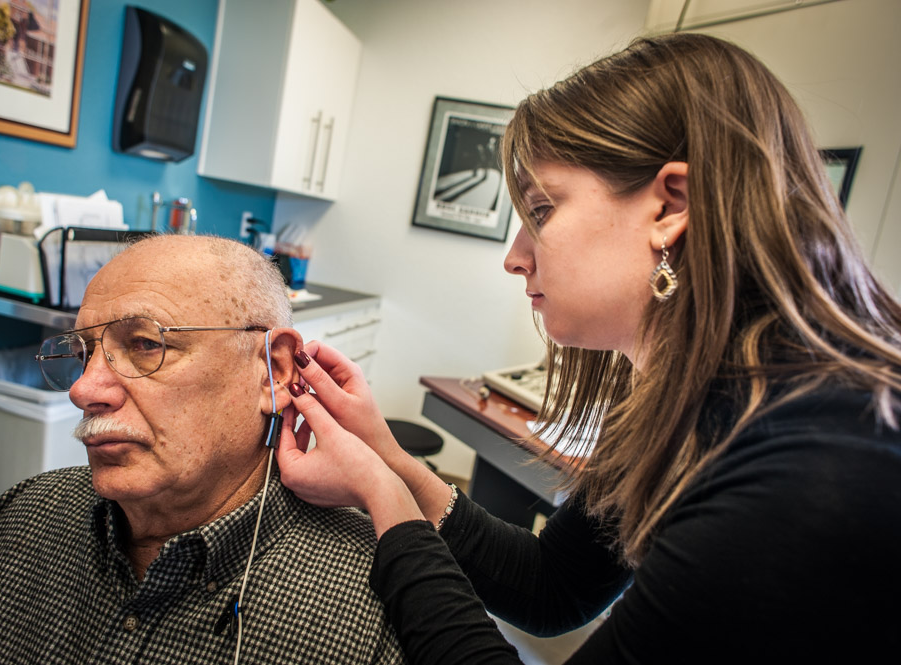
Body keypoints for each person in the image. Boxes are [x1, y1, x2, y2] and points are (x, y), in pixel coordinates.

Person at [274, 32, 901, 663]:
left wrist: (384, 500)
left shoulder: (809, 467)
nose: (515, 259)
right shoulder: (692, 400)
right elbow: (553, 588)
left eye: (542, 211)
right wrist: (385, 458)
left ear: (669, 207)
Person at [0, 235, 404, 664]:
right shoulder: (23, 515)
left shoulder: (376, 608)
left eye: (145, 343)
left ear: (271, 371)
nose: (83, 389)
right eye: (83, 352)